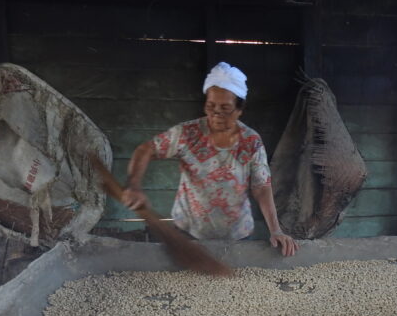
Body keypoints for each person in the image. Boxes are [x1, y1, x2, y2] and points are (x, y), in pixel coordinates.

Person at [122, 62, 298, 257]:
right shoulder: (188, 134)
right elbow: (145, 150)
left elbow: (261, 186)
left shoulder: (250, 141)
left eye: (225, 108)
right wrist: (134, 185)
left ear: (240, 109)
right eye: (211, 106)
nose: (216, 114)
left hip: (236, 236)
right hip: (188, 233)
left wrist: (276, 230)